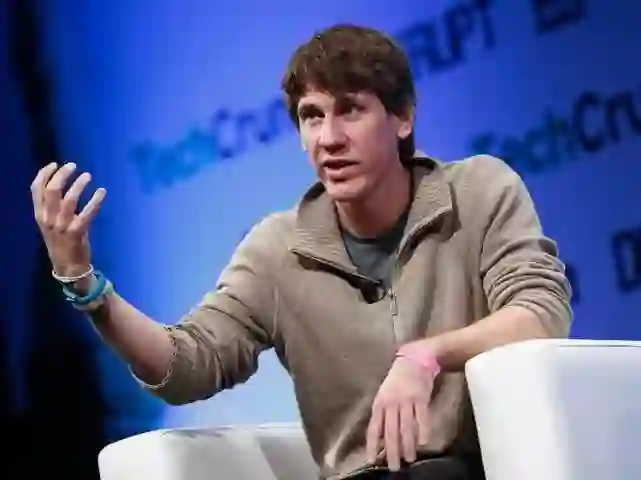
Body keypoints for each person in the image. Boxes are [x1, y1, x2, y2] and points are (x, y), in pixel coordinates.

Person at [30, 24, 572, 480]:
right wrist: (85, 285)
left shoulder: (478, 192)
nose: (329, 138)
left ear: (403, 118)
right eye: (312, 116)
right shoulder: (277, 249)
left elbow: (539, 314)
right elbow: (187, 365)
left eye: (351, 110)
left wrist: (426, 356)